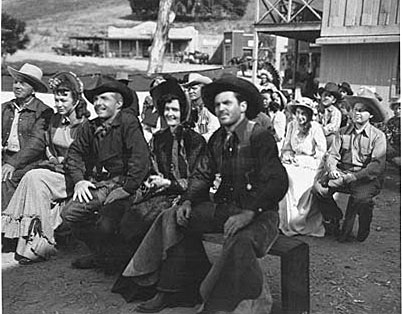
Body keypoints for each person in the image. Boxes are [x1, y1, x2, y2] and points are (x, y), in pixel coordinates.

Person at [114, 75, 288, 314]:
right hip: (225, 209)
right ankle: (167, 290)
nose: (221, 109)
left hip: (261, 215)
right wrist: (188, 200)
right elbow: (203, 175)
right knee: (172, 216)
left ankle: (239, 306)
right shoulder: (218, 138)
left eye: (227, 103)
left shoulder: (260, 137)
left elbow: (277, 182)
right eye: (217, 105)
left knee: (240, 242)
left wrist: (249, 212)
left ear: (244, 106)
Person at [112, 78, 208, 300]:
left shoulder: (195, 140)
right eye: (167, 109)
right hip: (164, 192)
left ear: (183, 111)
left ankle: (157, 282)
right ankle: (143, 277)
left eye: (175, 109)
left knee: (153, 219)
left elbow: (199, 179)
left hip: (190, 196)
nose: (171, 114)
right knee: (132, 215)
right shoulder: (158, 139)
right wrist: (152, 181)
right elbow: (152, 168)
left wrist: (172, 184)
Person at [61, 78, 150, 270]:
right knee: (70, 213)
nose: (98, 103)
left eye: (105, 99)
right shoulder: (90, 126)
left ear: (118, 104)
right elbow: (74, 153)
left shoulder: (128, 122)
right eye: (96, 99)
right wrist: (79, 181)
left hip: (129, 183)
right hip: (104, 183)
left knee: (107, 222)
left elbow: (141, 160)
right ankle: (100, 254)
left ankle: (115, 258)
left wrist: (126, 189)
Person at [1, 71, 90, 264]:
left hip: (76, 176)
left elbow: (88, 159)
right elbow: (44, 144)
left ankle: (40, 244)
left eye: (63, 100)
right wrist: (52, 158)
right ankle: (28, 242)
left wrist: (63, 165)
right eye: (56, 100)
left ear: (76, 100)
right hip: (55, 171)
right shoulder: (54, 121)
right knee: (32, 177)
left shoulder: (85, 126)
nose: (58, 105)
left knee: (34, 177)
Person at [312, 93, 387, 242]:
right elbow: (332, 154)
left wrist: (355, 176)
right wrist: (332, 169)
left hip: (365, 178)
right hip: (343, 173)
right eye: (355, 109)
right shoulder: (342, 132)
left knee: (362, 200)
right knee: (318, 189)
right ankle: (335, 217)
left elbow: (376, 166)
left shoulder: (378, 136)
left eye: (362, 110)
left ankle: (364, 223)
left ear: (370, 115)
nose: (357, 113)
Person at [2, 63, 54, 209]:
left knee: (7, 178)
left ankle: (5, 223)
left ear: (33, 89)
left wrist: (13, 163)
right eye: (15, 82)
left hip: (30, 162)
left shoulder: (43, 111)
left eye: (23, 83)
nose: (17, 86)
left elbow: (36, 143)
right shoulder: (5, 107)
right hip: (5, 157)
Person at [279, 97, 327, 237]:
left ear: (310, 115)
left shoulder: (316, 128)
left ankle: (297, 222)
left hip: (311, 165)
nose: (300, 117)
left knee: (293, 179)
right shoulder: (292, 125)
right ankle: (283, 222)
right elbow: (286, 146)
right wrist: (287, 155)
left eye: (304, 113)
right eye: (298, 113)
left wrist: (303, 161)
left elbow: (321, 154)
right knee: (280, 174)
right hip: (293, 162)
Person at [184, 73, 220, 141]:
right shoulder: (192, 110)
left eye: (194, 89)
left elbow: (214, 133)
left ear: (202, 89)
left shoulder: (209, 109)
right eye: (189, 89)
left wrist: (196, 139)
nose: (191, 92)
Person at [318, 82, 343, 147]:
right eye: (324, 95)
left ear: (334, 100)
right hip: (315, 135)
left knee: (332, 138)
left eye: (329, 96)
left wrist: (320, 130)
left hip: (327, 137)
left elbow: (334, 126)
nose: (326, 98)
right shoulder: (317, 109)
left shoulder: (335, 112)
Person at [383, 97, 401, 167]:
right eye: (395, 109)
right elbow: (387, 136)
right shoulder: (391, 122)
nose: (397, 111)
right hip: (394, 148)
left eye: (400, 108)